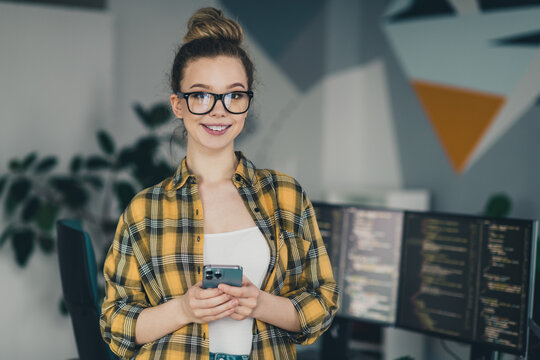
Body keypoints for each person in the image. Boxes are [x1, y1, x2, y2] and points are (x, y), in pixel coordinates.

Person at [100, 7, 339, 360]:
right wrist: (183, 309)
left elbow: (322, 302)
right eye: (200, 95)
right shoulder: (145, 210)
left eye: (234, 94)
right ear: (178, 105)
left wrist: (260, 303)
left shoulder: (286, 196)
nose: (218, 110)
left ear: (246, 104)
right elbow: (115, 324)